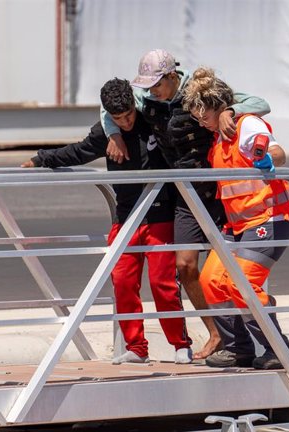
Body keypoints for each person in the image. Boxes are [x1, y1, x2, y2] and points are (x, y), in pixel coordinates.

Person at [100, 49, 271, 360]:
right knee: (185, 265)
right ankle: (216, 332)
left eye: (156, 85)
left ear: (171, 77)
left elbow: (260, 104)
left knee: (228, 270)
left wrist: (229, 111)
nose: (151, 92)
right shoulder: (146, 100)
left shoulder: (198, 91)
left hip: (217, 192)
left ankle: (249, 340)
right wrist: (113, 133)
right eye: (148, 87)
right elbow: (109, 109)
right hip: (185, 195)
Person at [22, 78, 193, 365]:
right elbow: (79, 151)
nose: (125, 122)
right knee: (123, 281)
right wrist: (41, 159)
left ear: (134, 106)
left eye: (128, 115)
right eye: (117, 118)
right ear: (108, 115)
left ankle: (180, 344)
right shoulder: (107, 131)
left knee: (162, 282)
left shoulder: (153, 118)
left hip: (161, 214)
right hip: (126, 217)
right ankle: (137, 348)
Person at [182, 67, 289, 370]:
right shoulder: (219, 138)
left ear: (219, 108)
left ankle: (278, 351)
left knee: (242, 285)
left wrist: (266, 157)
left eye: (204, 117)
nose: (201, 124)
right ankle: (238, 349)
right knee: (210, 282)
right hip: (239, 225)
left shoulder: (245, 125)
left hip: (270, 218)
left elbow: (275, 149)